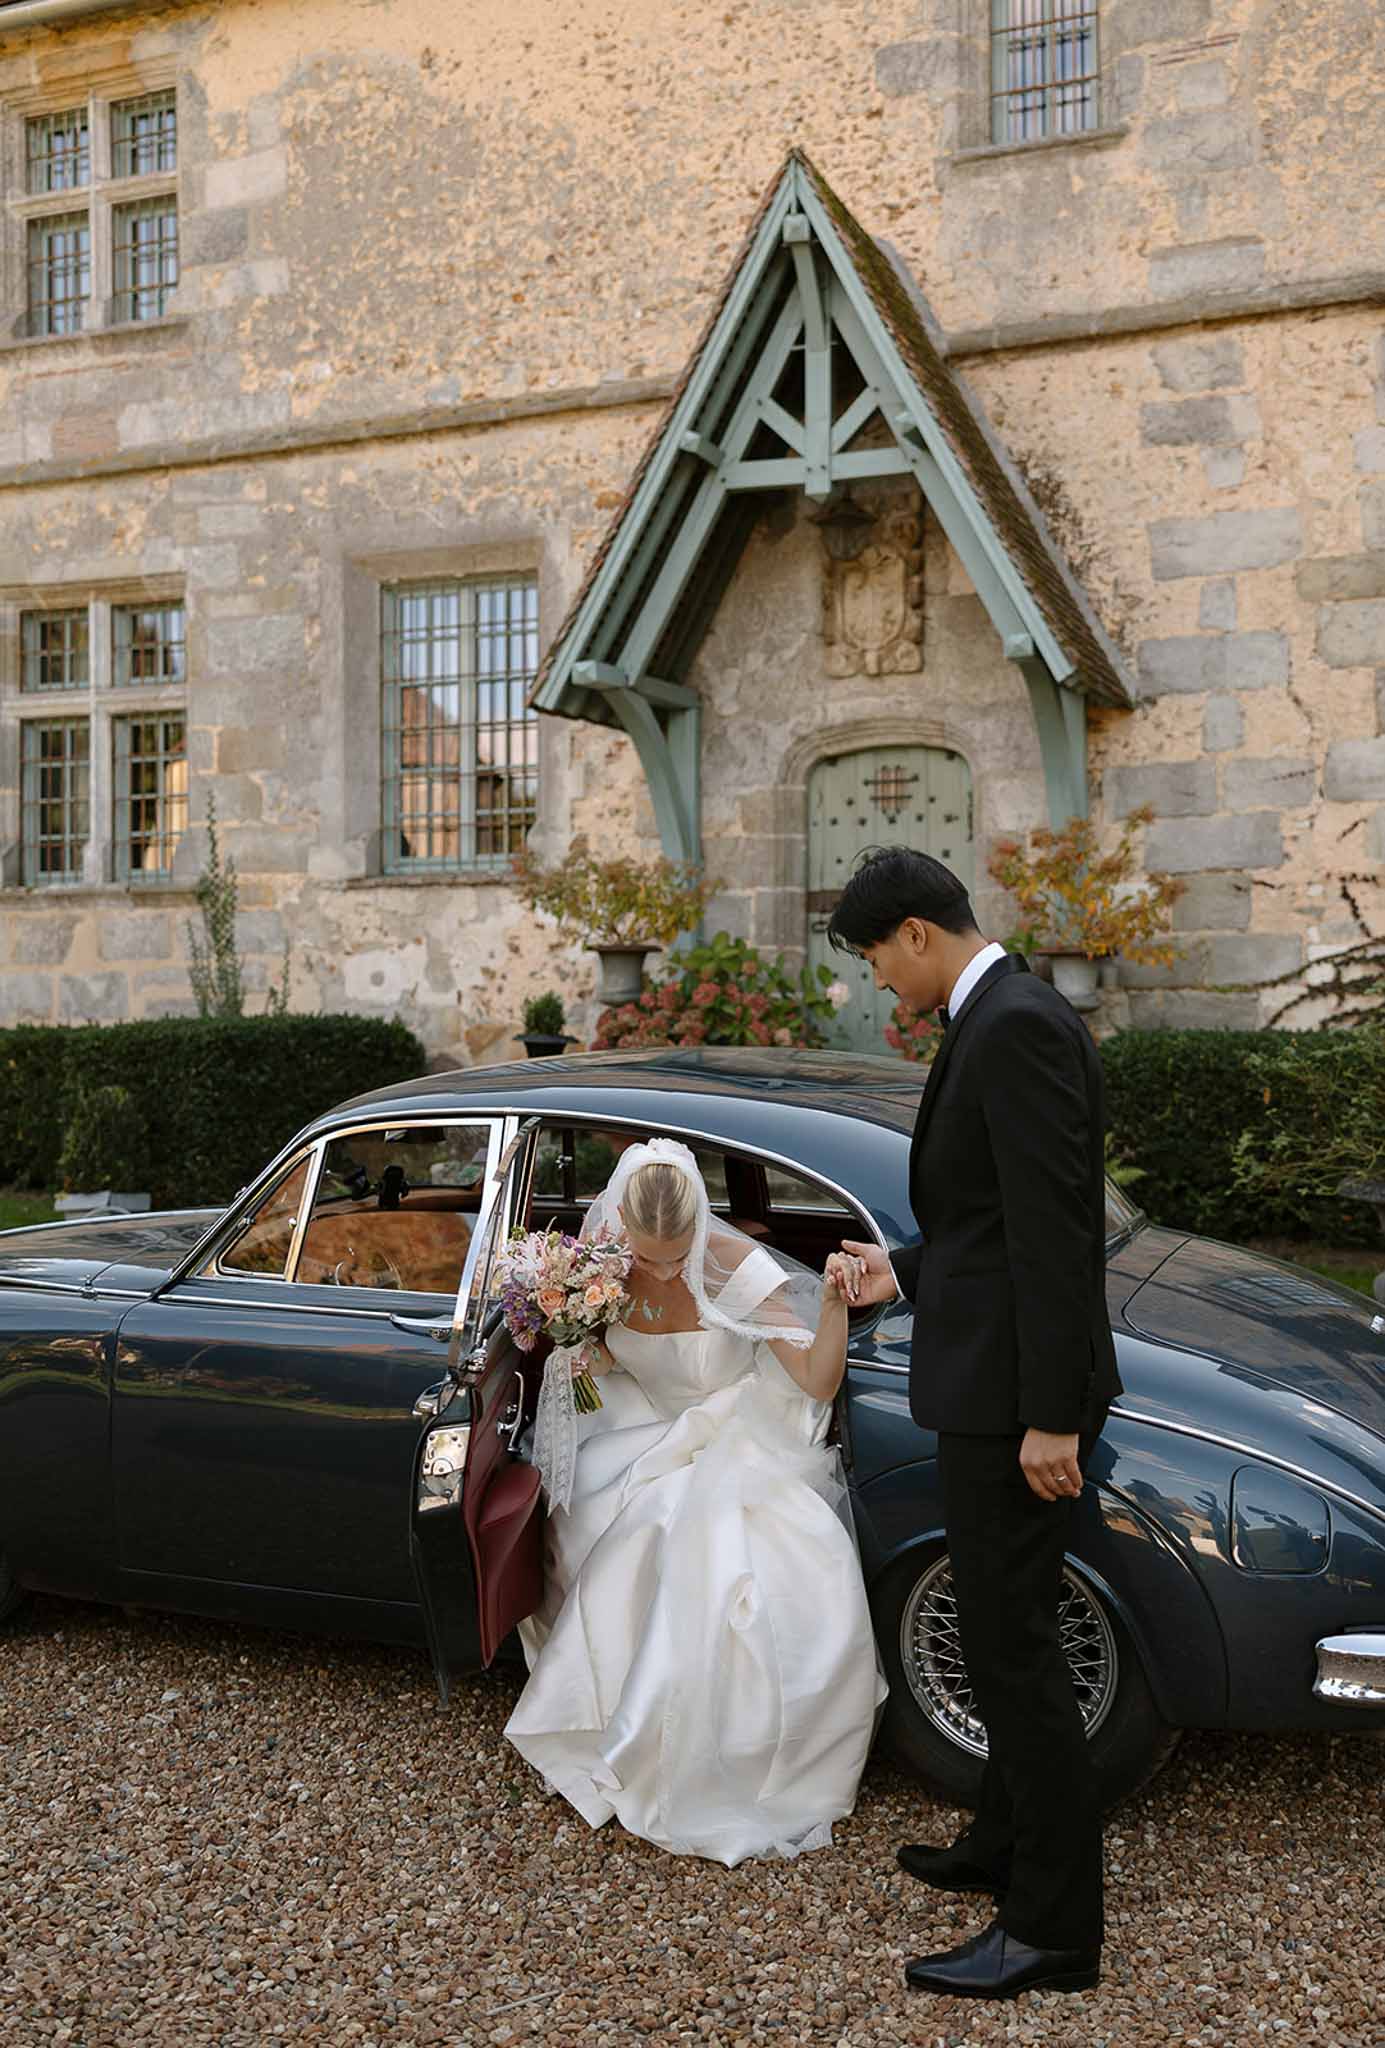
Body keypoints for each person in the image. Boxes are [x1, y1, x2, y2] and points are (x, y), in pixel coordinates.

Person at [829, 845, 1121, 2001]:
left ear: (913, 932)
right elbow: (987, 1219)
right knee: (1006, 1639)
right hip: (990, 1384)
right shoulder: (994, 1013)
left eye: (872, 959)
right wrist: (895, 1270)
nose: (876, 984)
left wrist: (1050, 1417)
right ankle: (999, 1842)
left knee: (1013, 1656)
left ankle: (1052, 1929)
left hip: (1014, 1407)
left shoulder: (1014, 1025)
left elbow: (1056, 1233)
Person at [504, 1138, 888, 1865]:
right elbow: (607, 1363)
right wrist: (577, 1338)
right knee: (586, 1516)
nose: (660, 1269)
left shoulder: (737, 1270)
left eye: (674, 1254)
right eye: (647, 1256)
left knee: (686, 1537)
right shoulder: (598, 1269)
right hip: (640, 1428)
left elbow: (813, 1381)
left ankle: (712, 1753)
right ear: (620, 1226)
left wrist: (832, 1305)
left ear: (698, 1228)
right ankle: (611, 1723)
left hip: (737, 1430)